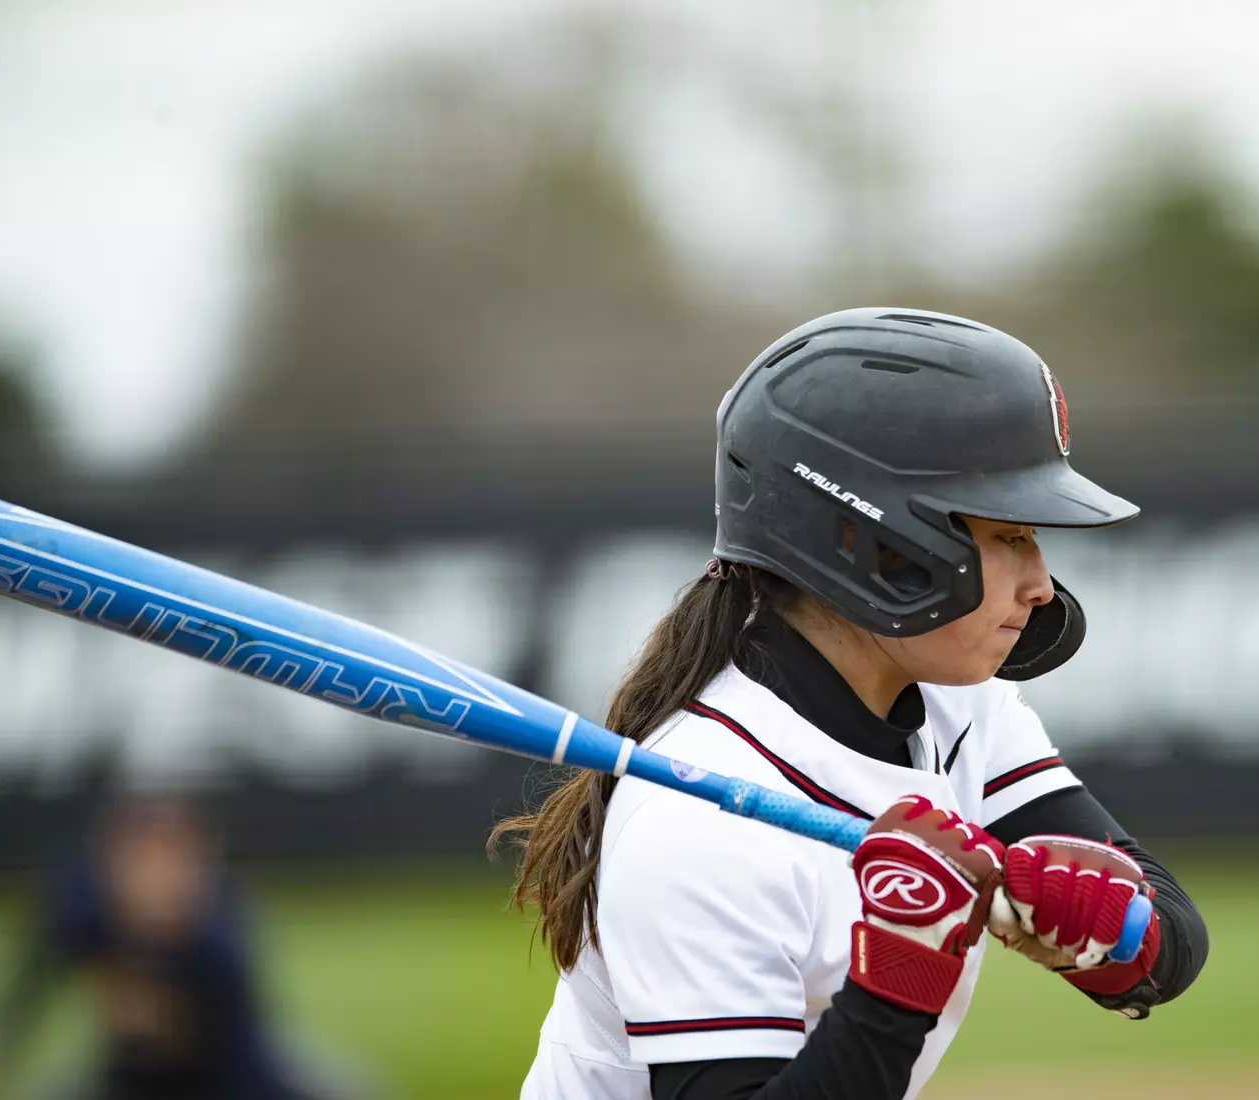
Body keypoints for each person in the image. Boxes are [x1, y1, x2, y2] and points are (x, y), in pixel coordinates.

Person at [494, 308, 1210, 1100]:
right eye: (1008, 536)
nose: (1039, 583)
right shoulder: (696, 816)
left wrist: (1106, 931)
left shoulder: (959, 708)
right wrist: (902, 971)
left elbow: (1170, 943)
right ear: (874, 544)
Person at [0, 796, 331, 1100]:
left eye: (175, 861)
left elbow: (245, 1062)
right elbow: (33, 978)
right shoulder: (81, 909)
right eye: (142, 859)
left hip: (226, 1076)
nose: (158, 879)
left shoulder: (219, 944)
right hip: (127, 1075)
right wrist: (2, 1037)